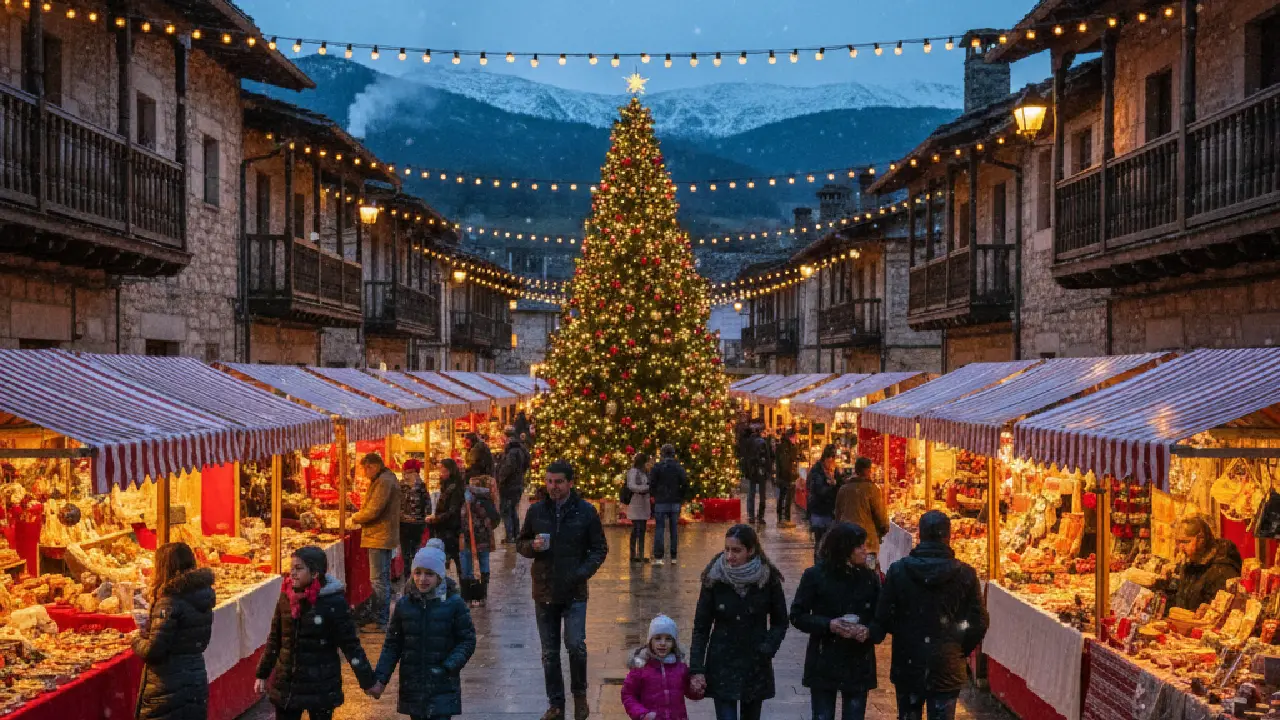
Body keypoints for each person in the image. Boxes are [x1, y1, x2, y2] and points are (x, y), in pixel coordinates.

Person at [517, 459, 610, 720]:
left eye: (558, 482)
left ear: (570, 483)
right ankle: (556, 704)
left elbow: (599, 549)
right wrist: (531, 547)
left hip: (574, 591)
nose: (553, 486)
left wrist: (581, 573)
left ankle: (579, 695)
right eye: (549, 481)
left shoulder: (586, 512)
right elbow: (520, 542)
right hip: (544, 590)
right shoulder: (536, 512)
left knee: (575, 645)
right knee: (549, 652)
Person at [875, 511, 988, 720]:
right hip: (946, 664)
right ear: (949, 536)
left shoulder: (899, 571)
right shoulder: (965, 574)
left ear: (919, 535)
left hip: (908, 661)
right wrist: (957, 647)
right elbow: (979, 622)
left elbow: (883, 615)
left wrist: (905, 633)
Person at [255, 546, 377, 720]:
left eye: (299, 569)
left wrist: (367, 680)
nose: (293, 574)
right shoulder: (286, 597)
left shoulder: (333, 602)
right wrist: (262, 673)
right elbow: (275, 638)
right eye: (291, 569)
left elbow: (350, 645)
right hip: (288, 685)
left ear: (315, 574)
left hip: (321, 686)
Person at [689, 524, 787, 720]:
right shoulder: (714, 579)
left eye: (736, 550)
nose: (730, 556)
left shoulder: (767, 579)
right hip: (722, 661)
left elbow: (780, 621)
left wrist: (767, 648)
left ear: (750, 550)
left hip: (755, 663)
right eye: (727, 549)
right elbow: (701, 627)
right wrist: (697, 669)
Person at [372, 543, 477, 720]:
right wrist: (380, 679)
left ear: (439, 576)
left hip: (442, 686)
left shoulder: (454, 604)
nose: (422, 579)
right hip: (413, 687)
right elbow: (392, 644)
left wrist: (448, 666)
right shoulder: (404, 605)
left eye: (429, 574)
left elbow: (467, 640)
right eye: (417, 573)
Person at [790, 523, 883, 720]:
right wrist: (828, 625)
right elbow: (798, 615)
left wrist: (868, 631)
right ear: (845, 549)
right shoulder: (815, 576)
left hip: (858, 660)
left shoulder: (869, 578)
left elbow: (882, 617)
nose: (864, 550)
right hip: (825, 659)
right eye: (859, 546)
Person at [134, 542, 215, 720]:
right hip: (194, 678)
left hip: (169, 687)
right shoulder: (202, 595)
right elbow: (192, 637)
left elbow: (154, 650)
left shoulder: (169, 601)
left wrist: (136, 640)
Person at [351, 452, 401, 631]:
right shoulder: (385, 479)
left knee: (378, 579)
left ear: (373, 466)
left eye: (366, 469)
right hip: (382, 535)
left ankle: (380, 620)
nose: (365, 473)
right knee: (382, 578)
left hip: (379, 536)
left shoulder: (384, 482)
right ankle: (380, 617)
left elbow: (373, 510)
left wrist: (355, 518)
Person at [621, 614, 704, 720]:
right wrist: (642, 714)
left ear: (674, 643)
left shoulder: (680, 667)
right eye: (658, 638)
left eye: (668, 639)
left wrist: (697, 690)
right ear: (650, 641)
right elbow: (628, 694)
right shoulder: (641, 668)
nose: (663, 643)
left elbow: (689, 692)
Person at [1169, 515, 1243, 611]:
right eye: (1178, 542)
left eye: (1186, 541)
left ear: (1201, 540)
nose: (1181, 548)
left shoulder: (1222, 569)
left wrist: (1209, 609)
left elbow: (1223, 610)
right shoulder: (1190, 562)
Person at [834, 457, 890, 571]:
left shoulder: (843, 489)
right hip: (867, 543)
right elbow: (881, 517)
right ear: (868, 471)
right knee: (870, 574)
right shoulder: (872, 489)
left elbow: (837, 515)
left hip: (846, 542)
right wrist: (882, 531)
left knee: (848, 573)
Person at [459, 474, 499, 607]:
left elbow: (463, 517)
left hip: (469, 537)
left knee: (467, 566)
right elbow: (495, 518)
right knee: (483, 563)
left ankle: (468, 596)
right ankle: (482, 595)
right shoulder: (487, 498)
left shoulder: (469, 498)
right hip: (483, 537)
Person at [650, 444, 689, 566]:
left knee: (660, 529)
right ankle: (673, 556)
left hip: (661, 501)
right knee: (674, 529)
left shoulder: (657, 467)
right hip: (675, 501)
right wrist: (681, 497)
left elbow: (652, 483)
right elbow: (685, 483)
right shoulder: (678, 468)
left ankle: (658, 557)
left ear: (662, 454)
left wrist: (655, 495)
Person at [429, 458, 466, 576]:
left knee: (455, 559)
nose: (441, 473)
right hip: (446, 528)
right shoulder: (447, 485)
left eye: (444, 471)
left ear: (451, 471)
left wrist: (436, 519)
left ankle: (462, 587)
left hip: (452, 529)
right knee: (448, 560)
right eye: (440, 470)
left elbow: (453, 510)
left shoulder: (454, 488)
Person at [399, 458, 432, 581]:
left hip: (416, 525)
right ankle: (410, 578)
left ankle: (415, 577)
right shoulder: (401, 485)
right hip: (404, 524)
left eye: (410, 471)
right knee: (406, 554)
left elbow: (427, 505)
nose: (407, 474)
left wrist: (426, 520)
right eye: (406, 471)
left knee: (414, 553)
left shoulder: (421, 486)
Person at [806, 445, 841, 561]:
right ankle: (819, 566)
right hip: (819, 512)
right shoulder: (816, 472)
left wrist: (836, 482)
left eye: (833, 459)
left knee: (830, 542)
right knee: (820, 541)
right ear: (825, 458)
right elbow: (819, 491)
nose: (832, 462)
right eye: (830, 459)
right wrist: (832, 485)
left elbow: (841, 484)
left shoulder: (835, 470)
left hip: (831, 512)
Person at [497, 428, 531, 543]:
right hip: (518, 483)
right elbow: (527, 463)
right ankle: (516, 534)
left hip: (509, 485)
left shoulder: (511, 452)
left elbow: (508, 468)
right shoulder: (521, 449)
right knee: (513, 509)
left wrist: (500, 479)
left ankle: (510, 536)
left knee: (506, 510)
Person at [625, 452, 653, 563]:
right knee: (636, 529)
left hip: (644, 504)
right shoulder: (633, 472)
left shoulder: (645, 472)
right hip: (636, 503)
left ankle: (640, 554)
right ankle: (633, 555)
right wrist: (645, 488)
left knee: (642, 530)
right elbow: (631, 486)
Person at [774, 429, 800, 528]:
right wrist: (790, 476)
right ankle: (785, 519)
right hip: (786, 477)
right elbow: (785, 463)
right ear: (791, 437)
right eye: (795, 437)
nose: (796, 439)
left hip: (783, 476)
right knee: (786, 498)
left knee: (783, 497)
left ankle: (782, 518)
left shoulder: (784, 446)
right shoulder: (786, 447)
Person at [744, 427, 768, 524]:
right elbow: (768, 458)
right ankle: (760, 516)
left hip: (752, 471)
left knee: (751, 494)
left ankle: (751, 516)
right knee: (762, 495)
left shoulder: (749, 442)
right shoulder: (763, 442)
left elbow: (745, 457)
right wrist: (768, 471)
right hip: (761, 471)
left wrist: (747, 471)